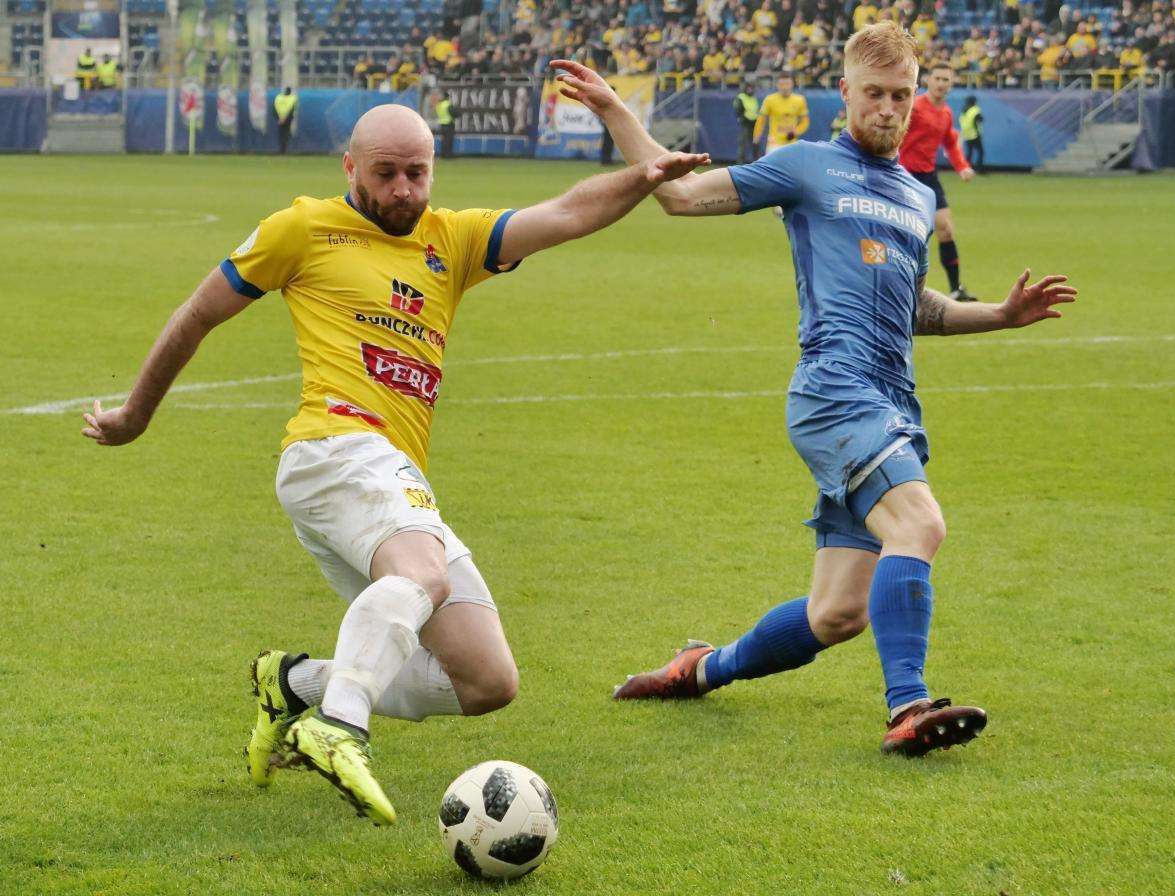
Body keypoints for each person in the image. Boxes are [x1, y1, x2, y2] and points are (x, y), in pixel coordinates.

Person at [80, 105, 707, 822]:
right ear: (350, 167)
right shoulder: (301, 228)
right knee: (425, 575)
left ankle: (293, 685)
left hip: (389, 471)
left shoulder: (453, 239)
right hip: (334, 447)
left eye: (417, 172)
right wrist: (135, 414)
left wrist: (643, 175)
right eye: (386, 174)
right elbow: (198, 313)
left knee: (486, 680)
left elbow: (565, 213)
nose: (404, 189)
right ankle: (340, 727)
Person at [550, 21, 1076, 758]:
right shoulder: (806, 165)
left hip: (892, 401)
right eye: (874, 94)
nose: (887, 109)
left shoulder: (915, 196)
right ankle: (908, 705)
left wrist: (1000, 315)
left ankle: (698, 669)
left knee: (837, 614)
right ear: (845, 92)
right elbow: (683, 196)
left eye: (901, 96)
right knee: (919, 525)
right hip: (834, 390)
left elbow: (913, 306)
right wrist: (615, 110)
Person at [899, 63, 977, 303]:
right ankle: (899, 289)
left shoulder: (946, 113)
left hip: (928, 176)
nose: (941, 83)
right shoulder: (914, 107)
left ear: (951, 84)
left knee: (945, 229)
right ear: (927, 80)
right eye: (938, 78)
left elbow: (950, 143)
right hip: (904, 175)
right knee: (905, 234)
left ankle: (955, 289)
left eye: (946, 80)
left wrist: (962, 166)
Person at [753, 73, 809, 154]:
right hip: (774, 143)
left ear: (792, 84)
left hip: (792, 143)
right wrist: (756, 137)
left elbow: (805, 122)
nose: (785, 87)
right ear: (777, 85)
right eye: (782, 84)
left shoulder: (800, 100)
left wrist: (796, 132)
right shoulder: (769, 100)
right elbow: (761, 120)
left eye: (787, 84)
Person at [733, 78, 760, 163]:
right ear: (745, 88)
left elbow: (756, 109)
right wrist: (741, 118)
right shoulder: (741, 96)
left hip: (754, 123)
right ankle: (740, 162)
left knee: (756, 143)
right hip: (745, 123)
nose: (750, 89)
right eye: (748, 87)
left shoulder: (754, 97)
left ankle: (757, 162)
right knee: (743, 143)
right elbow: (737, 108)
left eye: (752, 88)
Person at [959, 95, 984, 171]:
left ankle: (966, 167)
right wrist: (978, 133)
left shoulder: (964, 110)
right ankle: (979, 168)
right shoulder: (975, 110)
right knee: (981, 152)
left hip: (966, 134)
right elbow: (979, 120)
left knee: (969, 152)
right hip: (975, 134)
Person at [433, 89, 456, 159]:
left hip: (442, 124)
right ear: (448, 97)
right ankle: (448, 155)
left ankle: (443, 154)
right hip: (449, 124)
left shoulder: (439, 105)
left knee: (444, 140)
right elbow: (454, 113)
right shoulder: (447, 104)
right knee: (449, 140)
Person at [273, 86, 297, 154]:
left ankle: (282, 150)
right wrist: (284, 118)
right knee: (286, 134)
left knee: (281, 134)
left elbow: (274, 108)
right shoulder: (293, 98)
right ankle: (284, 149)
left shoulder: (278, 98)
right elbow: (292, 110)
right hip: (287, 119)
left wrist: (279, 119)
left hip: (280, 119)